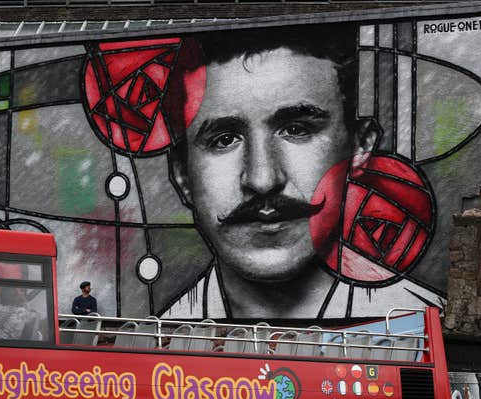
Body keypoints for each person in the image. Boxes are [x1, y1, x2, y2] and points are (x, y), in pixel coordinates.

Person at [165, 26, 443, 319]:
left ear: (359, 146)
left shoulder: (421, 330)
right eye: (224, 140)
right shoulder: (150, 346)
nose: (263, 180)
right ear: (182, 175)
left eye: (296, 130)